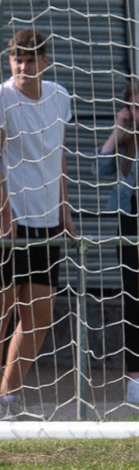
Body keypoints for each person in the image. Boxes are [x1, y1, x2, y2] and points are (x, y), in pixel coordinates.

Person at [0, 30, 74, 420]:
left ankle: (9, 398)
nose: (23, 65)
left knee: (38, 316)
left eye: (30, 59)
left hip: (45, 219)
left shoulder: (59, 96)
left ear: (45, 61)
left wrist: (65, 206)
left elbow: (56, 155)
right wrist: (6, 212)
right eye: (17, 58)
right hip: (1, 219)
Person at [97, 79, 139, 403]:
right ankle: (135, 380)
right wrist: (118, 127)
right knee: (134, 299)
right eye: (134, 106)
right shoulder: (127, 142)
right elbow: (100, 166)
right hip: (129, 220)